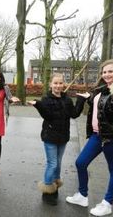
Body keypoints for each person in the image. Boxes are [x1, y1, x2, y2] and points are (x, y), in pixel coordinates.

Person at [66, 59, 113, 216]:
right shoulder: (103, 89)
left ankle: (107, 203)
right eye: (104, 72)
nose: (106, 74)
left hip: (112, 138)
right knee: (81, 163)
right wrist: (89, 97)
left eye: (110, 71)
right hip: (97, 136)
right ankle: (82, 195)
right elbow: (100, 105)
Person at [27, 73, 87, 205]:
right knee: (52, 163)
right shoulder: (46, 99)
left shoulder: (67, 100)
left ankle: (54, 186)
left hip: (63, 137)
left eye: (60, 83)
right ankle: (47, 190)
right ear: (50, 85)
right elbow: (47, 116)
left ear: (63, 84)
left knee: (58, 164)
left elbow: (74, 114)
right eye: (55, 83)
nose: (58, 86)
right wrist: (38, 104)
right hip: (50, 137)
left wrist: (81, 100)